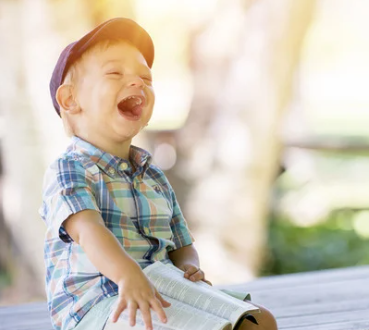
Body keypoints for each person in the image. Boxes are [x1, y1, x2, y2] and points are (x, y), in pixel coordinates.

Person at [40, 17, 278, 330]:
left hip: (165, 289)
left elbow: (181, 243)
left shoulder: (153, 175)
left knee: (259, 322)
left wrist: (189, 266)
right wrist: (128, 274)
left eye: (145, 77)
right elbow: (88, 230)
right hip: (101, 304)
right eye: (115, 73)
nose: (138, 82)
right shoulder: (69, 168)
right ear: (70, 99)